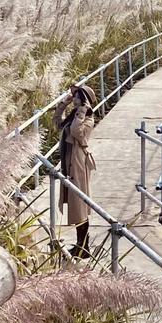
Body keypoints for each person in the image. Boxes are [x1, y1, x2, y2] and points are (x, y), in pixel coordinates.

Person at [53, 83, 97, 258]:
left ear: (85, 100)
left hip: (78, 164)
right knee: (75, 204)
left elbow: (76, 132)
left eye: (78, 96)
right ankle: (81, 245)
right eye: (75, 96)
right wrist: (64, 104)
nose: (75, 99)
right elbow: (57, 123)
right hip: (69, 162)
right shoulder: (74, 115)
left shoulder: (88, 119)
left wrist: (82, 111)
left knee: (80, 205)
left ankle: (83, 247)